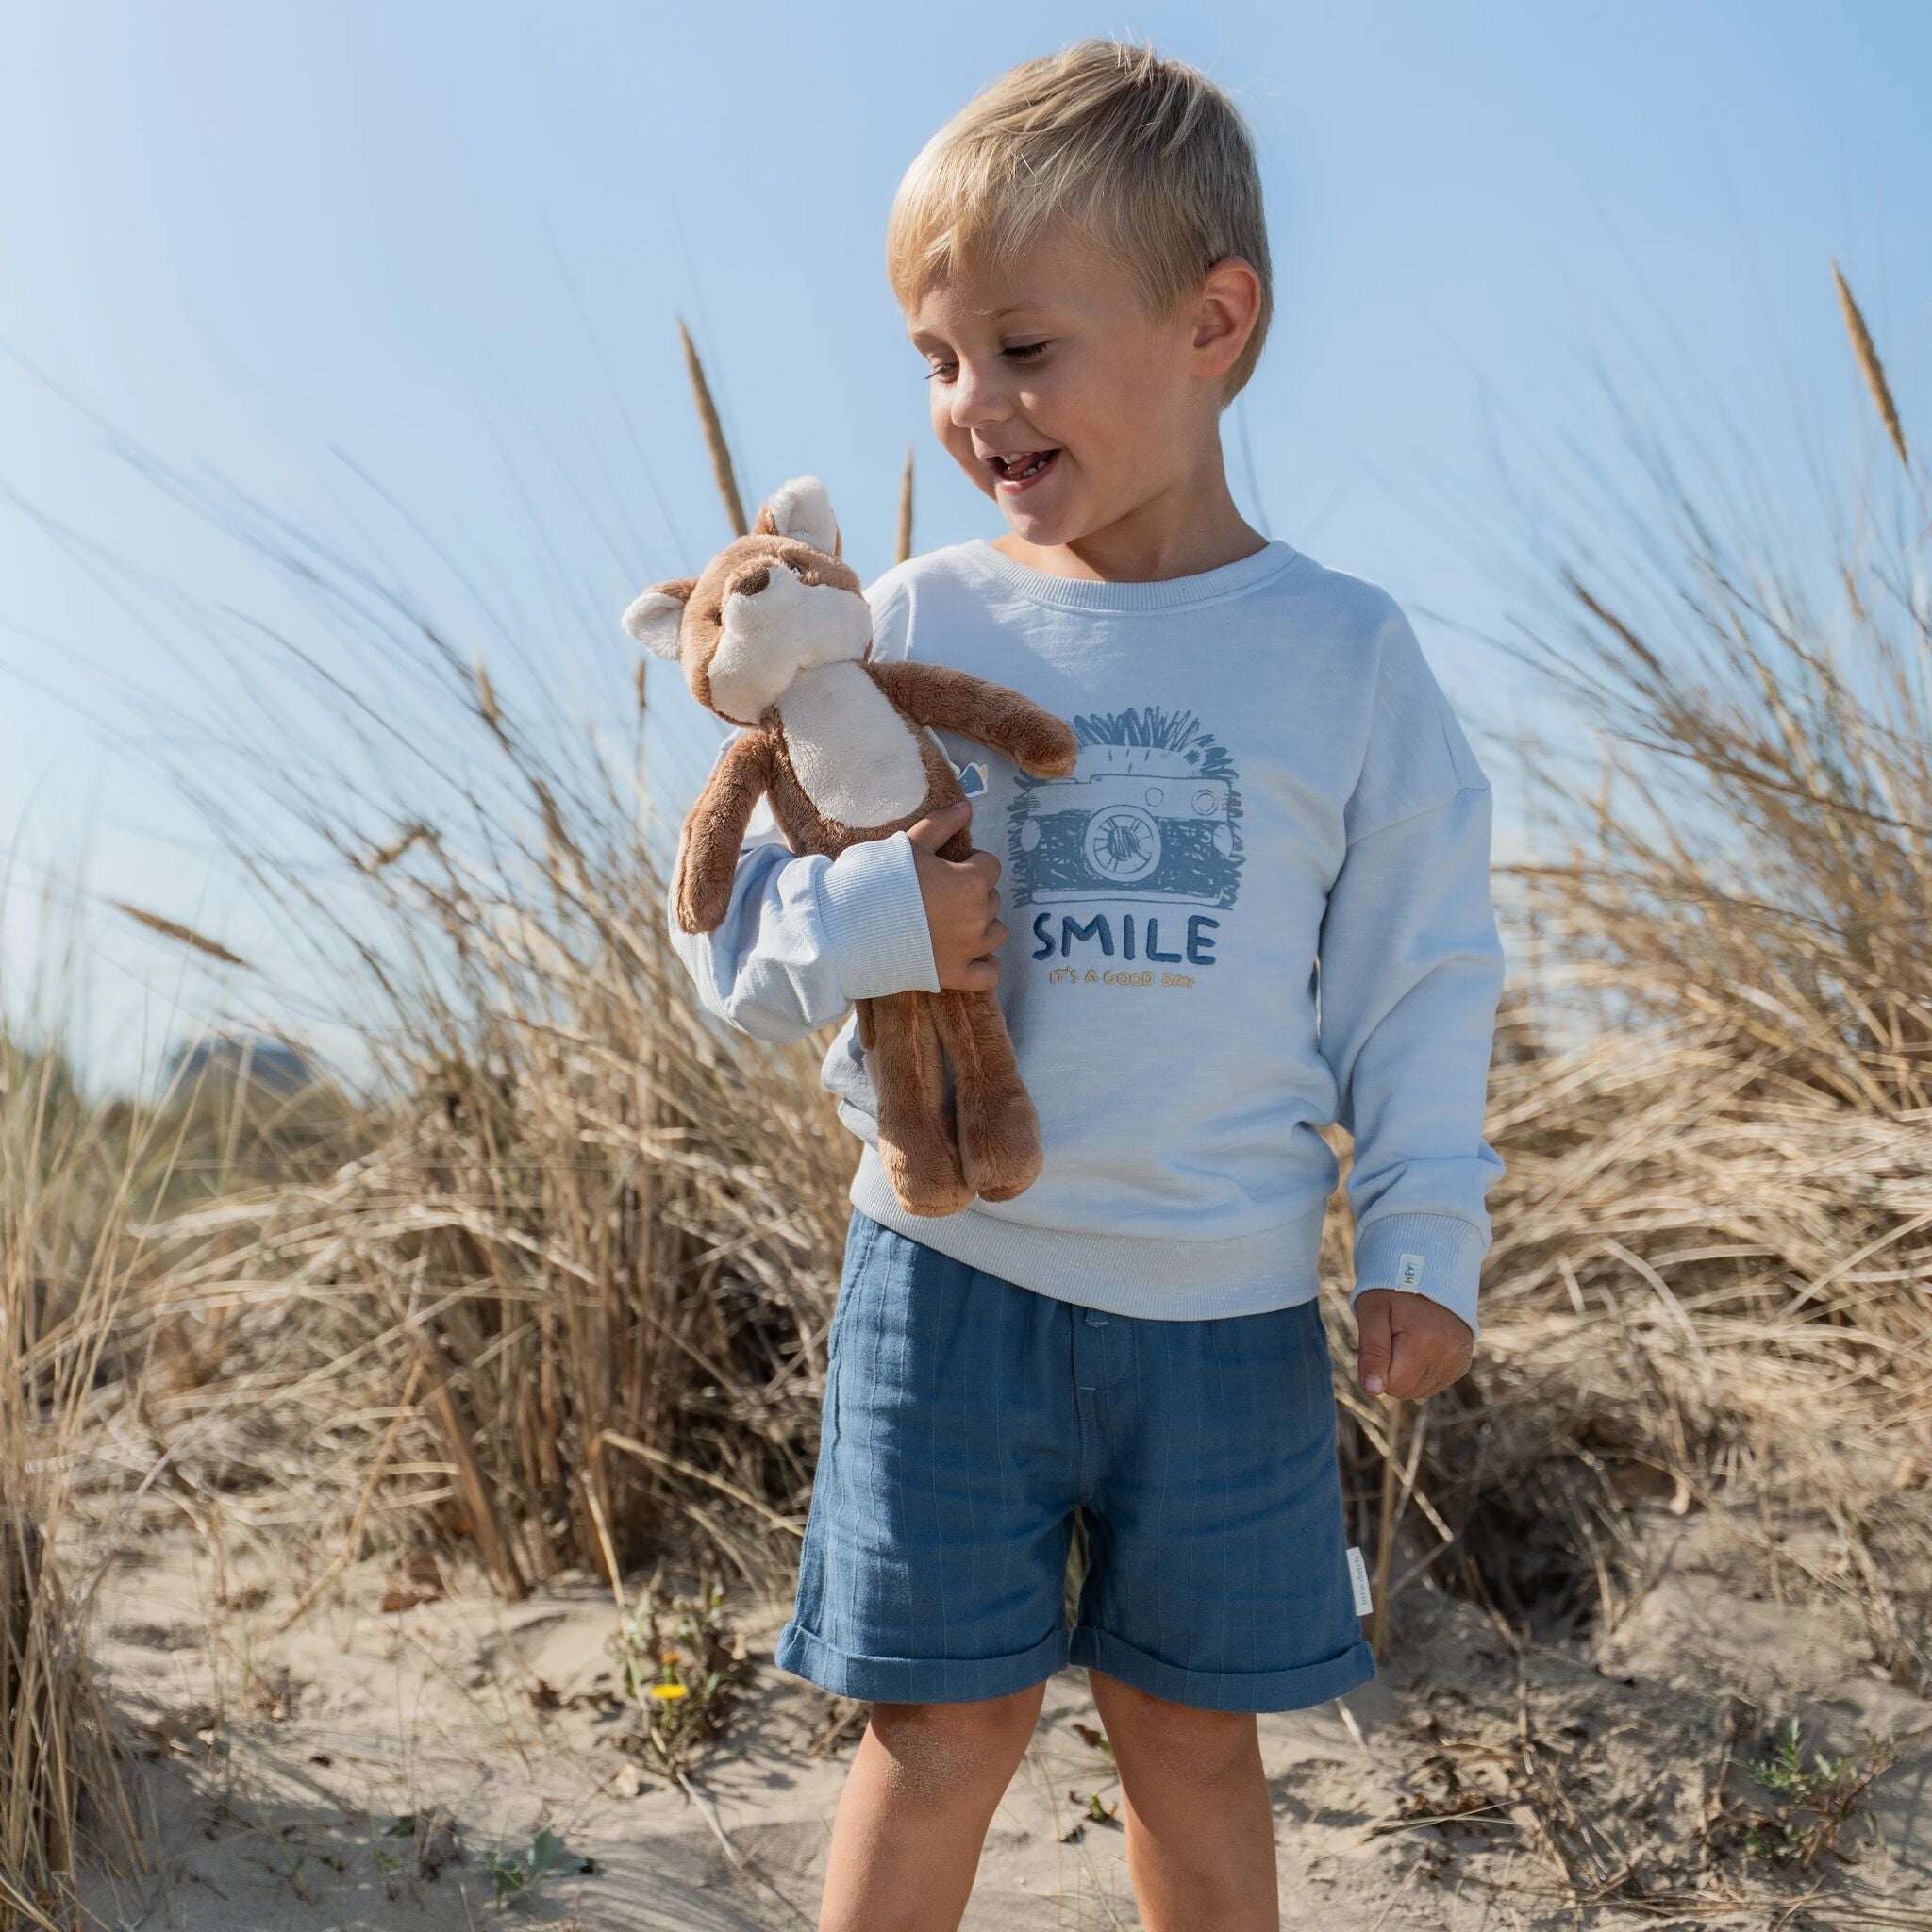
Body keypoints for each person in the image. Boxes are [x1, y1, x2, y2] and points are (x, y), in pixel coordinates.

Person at [663, 35, 1507, 1932]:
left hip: (1223, 1304)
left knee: (1192, 1743)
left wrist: (1422, 1234)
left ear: (1214, 320)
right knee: (936, 1731)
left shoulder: (1344, 656)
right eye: (936, 358)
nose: (972, 404)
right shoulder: (906, 626)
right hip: (948, 1276)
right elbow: (732, 940)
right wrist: (879, 925)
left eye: (1023, 346)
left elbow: (1420, 972)